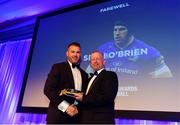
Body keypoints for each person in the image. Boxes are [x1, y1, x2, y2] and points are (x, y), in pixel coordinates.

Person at [86, 21, 173, 79]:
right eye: (115, 30)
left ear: (130, 31)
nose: (117, 33)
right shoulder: (102, 49)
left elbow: (166, 73)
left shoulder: (146, 49)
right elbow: (88, 73)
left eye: (121, 29)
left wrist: (148, 78)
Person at [44, 42, 88, 124]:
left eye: (78, 52)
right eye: (72, 52)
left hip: (75, 118)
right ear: (67, 53)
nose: (75, 54)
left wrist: (76, 108)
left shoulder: (84, 74)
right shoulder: (58, 67)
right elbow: (48, 90)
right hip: (57, 118)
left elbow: (81, 96)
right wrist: (66, 107)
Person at [74, 51, 118, 124]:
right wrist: (75, 106)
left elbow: (107, 97)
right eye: (93, 59)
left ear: (104, 62)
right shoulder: (88, 79)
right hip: (85, 120)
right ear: (90, 63)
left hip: (101, 120)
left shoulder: (110, 75)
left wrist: (84, 98)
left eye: (98, 59)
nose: (95, 61)